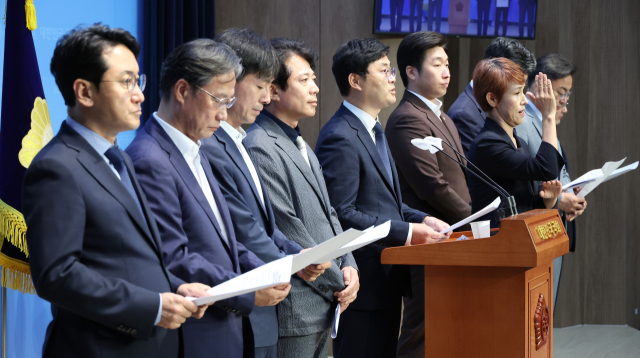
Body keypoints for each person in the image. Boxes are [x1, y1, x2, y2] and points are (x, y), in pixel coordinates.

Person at [23, 24, 211, 358]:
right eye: (126, 82)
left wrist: (175, 285)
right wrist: (151, 307)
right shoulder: (56, 167)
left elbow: (130, 256)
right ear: (84, 92)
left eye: (138, 81)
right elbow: (57, 275)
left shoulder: (120, 156)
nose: (139, 94)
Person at [126, 39, 290, 358]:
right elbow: (173, 256)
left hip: (224, 328)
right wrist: (247, 288)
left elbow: (226, 241)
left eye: (229, 101)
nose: (223, 113)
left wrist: (264, 272)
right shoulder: (149, 160)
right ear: (183, 90)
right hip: (194, 334)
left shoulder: (196, 149)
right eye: (218, 100)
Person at [201, 28, 331, 358]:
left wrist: (303, 259)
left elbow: (273, 227)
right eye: (260, 86)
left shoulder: (240, 140)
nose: (264, 97)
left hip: (269, 305)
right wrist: (295, 261)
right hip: (249, 305)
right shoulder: (223, 146)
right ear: (229, 81)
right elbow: (245, 229)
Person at [316, 38, 449, 358]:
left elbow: (386, 201)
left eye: (391, 71)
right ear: (355, 80)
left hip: (387, 281)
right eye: (384, 71)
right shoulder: (340, 136)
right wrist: (405, 232)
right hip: (362, 282)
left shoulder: (375, 128)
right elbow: (340, 213)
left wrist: (420, 218)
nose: (393, 78)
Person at [243, 38, 359, 358]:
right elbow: (288, 229)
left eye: (314, 79)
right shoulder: (259, 144)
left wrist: (350, 265)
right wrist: (340, 281)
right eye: (304, 80)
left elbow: (330, 214)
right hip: (296, 307)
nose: (316, 88)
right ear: (274, 90)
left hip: (324, 302)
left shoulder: (300, 142)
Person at [385, 31, 471, 358]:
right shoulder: (407, 118)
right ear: (411, 71)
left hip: (455, 240)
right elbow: (432, 186)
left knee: (447, 329)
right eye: (437, 64)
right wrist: (477, 220)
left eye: (447, 64)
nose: (447, 72)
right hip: (431, 242)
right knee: (422, 333)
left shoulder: (441, 116)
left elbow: (460, 176)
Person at [515, 53, 585, 307]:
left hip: (551, 231)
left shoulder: (547, 122)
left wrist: (572, 196)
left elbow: (557, 169)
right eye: (561, 92)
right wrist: (558, 199)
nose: (564, 102)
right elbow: (530, 174)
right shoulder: (522, 121)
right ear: (539, 84)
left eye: (568, 94)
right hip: (533, 231)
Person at [468, 57, 564, 228]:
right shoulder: (487, 143)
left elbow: (527, 206)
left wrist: (549, 200)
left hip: (519, 242)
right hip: (496, 246)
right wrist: (548, 117)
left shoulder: (517, 141)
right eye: (516, 93)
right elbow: (547, 169)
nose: (524, 101)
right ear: (492, 99)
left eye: (523, 92)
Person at [448, 37, 536, 156]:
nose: (524, 100)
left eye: (522, 89)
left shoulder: (507, 108)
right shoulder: (464, 115)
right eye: (516, 91)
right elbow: (474, 171)